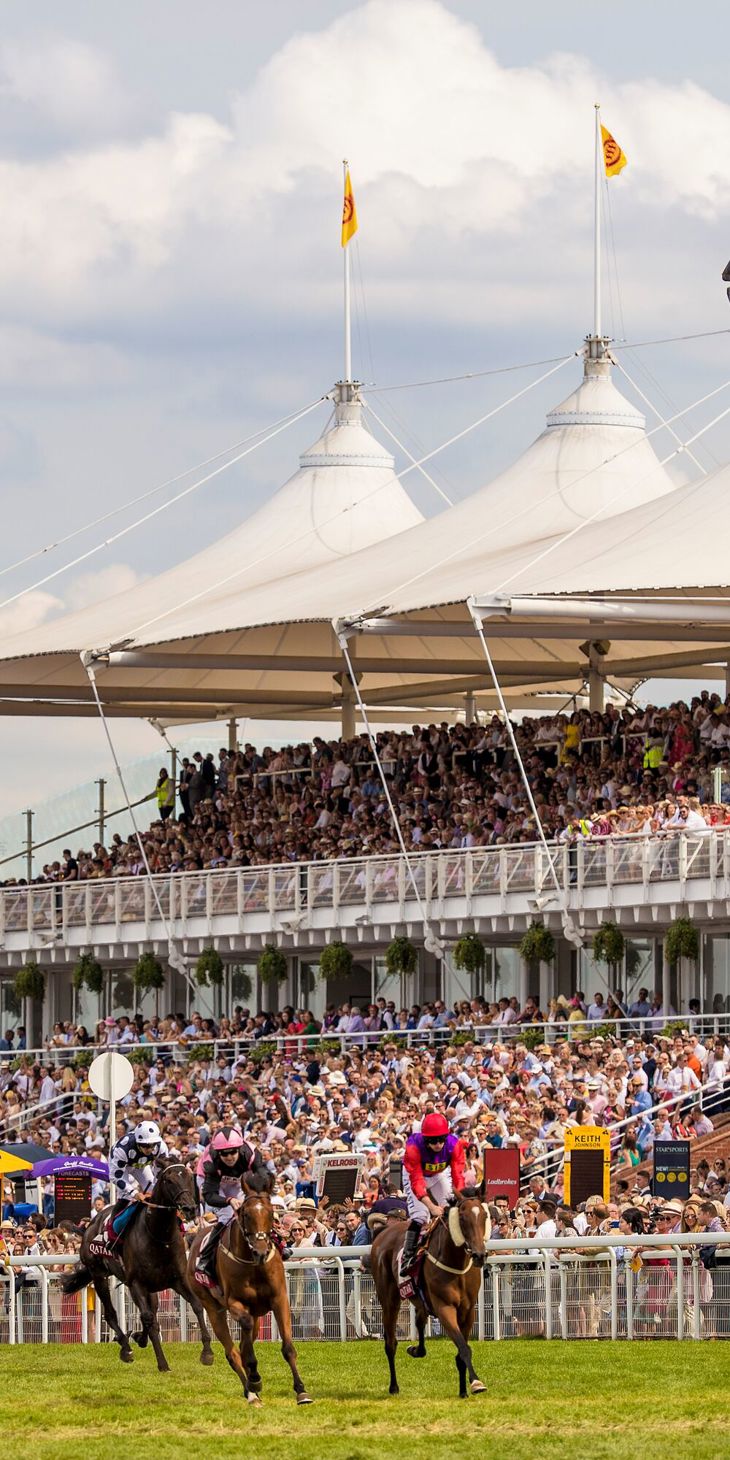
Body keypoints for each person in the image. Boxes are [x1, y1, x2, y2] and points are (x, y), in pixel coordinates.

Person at [194, 1125, 270, 1289]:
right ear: (218, 1152)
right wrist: (228, 1200)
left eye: (233, 1152)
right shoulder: (210, 1161)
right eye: (224, 1153)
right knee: (228, 1215)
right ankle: (205, 1259)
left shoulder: (251, 1153)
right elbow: (209, 1196)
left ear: (240, 1148)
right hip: (213, 1183)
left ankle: (278, 1242)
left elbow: (262, 1178)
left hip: (238, 1180)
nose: (229, 1157)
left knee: (256, 1209)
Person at [400, 1111, 466, 1274]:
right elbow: (417, 1181)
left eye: (441, 1139)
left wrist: (461, 1200)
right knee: (421, 1216)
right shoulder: (413, 1147)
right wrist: (430, 1206)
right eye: (433, 1140)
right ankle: (407, 1257)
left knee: (451, 1210)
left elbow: (458, 1177)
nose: (438, 1144)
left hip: (438, 1174)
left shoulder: (454, 1145)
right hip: (416, 1175)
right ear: (425, 1139)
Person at [105, 1120, 169, 1243]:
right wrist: (134, 1193)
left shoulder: (161, 1147)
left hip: (143, 1165)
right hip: (123, 1168)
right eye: (145, 1146)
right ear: (138, 1143)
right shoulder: (122, 1149)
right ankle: (111, 1233)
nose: (149, 1149)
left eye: (152, 1145)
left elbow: (160, 1172)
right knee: (125, 1197)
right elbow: (115, 1177)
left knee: (154, 1190)